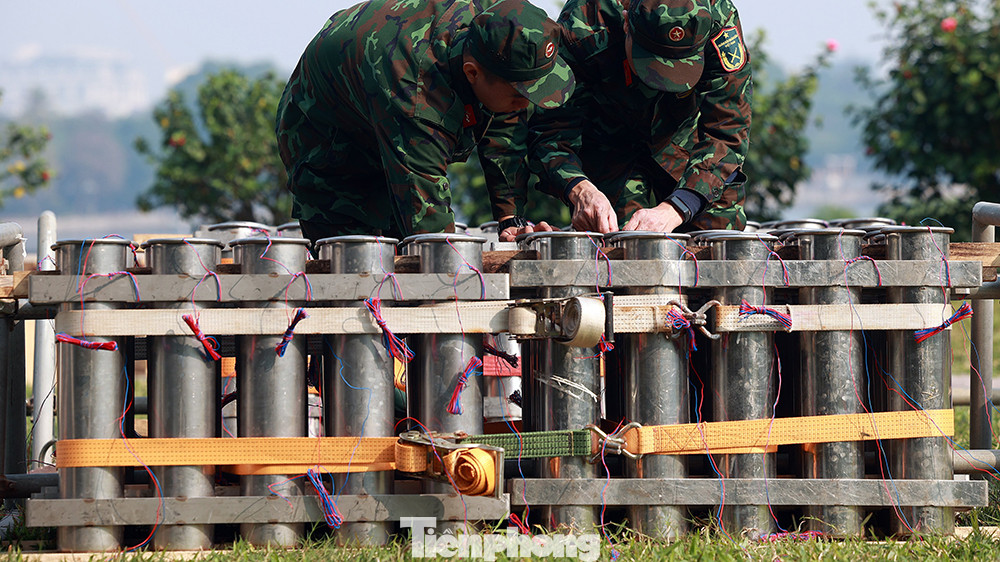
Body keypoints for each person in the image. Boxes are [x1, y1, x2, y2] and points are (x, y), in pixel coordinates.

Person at [276, 0, 575, 247]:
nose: (528, 103)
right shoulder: (416, 94)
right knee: (359, 266)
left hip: (383, 96)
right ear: (472, 73)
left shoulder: (501, 29)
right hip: (328, 138)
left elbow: (505, 126)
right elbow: (432, 233)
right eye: (519, 94)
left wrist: (512, 220)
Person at [525, 0, 751, 235]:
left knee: (719, 242)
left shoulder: (717, 18)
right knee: (619, 243)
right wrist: (581, 191)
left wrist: (676, 208)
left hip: (688, 145)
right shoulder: (583, 25)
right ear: (625, 23)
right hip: (610, 143)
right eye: (651, 64)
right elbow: (551, 132)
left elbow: (728, 129)